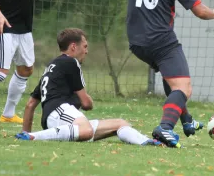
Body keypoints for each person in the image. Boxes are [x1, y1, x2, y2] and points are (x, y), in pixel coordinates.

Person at [99, 0, 214, 147]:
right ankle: (165, 128)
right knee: (184, 89)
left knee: (172, 80)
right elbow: (200, 12)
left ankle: (187, 121)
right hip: (161, 40)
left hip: (136, 41)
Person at [15, 28, 159, 146]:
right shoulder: (71, 62)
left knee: (119, 124)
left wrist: (25, 132)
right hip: (60, 111)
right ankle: (34, 136)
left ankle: (147, 142)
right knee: (86, 130)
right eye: (85, 46)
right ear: (73, 46)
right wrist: (88, 100)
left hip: (59, 120)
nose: (86, 51)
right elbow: (86, 103)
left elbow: (30, 104)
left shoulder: (52, 67)